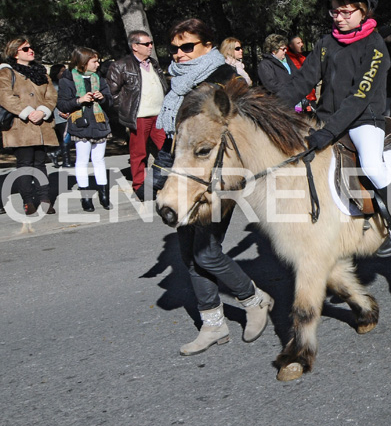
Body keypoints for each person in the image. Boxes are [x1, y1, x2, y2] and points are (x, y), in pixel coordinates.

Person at [156, 18, 273, 356]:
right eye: (175, 48)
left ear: (208, 46)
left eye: (187, 47)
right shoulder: (180, 82)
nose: (178, 54)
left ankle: (254, 299)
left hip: (216, 177)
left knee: (205, 251)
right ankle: (214, 324)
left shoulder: (225, 78)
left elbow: (247, 127)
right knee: (187, 254)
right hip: (181, 174)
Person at [288, 0, 391, 256]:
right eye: (334, 12)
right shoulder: (324, 44)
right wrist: (271, 105)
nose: (338, 17)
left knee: (371, 165)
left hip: (363, 119)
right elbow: (301, 81)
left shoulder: (376, 47)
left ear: (364, 10)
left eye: (345, 12)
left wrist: (328, 132)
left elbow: (359, 97)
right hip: (324, 117)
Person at [0, 37, 59, 215]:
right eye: (25, 49)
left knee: (40, 163)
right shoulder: (7, 72)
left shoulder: (41, 72)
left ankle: (44, 199)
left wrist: (42, 111)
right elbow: (5, 96)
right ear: (15, 53)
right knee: (25, 164)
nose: (31, 51)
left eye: (31, 48)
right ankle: (28, 201)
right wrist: (26, 112)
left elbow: (52, 95)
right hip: (20, 125)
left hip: (42, 125)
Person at [107, 30, 169, 200]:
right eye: (146, 44)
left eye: (151, 43)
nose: (150, 47)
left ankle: (170, 182)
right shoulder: (120, 66)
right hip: (140, 117)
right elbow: (112, 93)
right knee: (139, 153)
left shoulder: (153, 63)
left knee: (169, 149)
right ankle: (140, 187)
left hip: (160, 116)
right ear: (135, 46)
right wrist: (127, 110)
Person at [57, 47, 113, 212]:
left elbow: (110, 102)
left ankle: (104, 195)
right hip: (80, 123)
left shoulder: (99, 78)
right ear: (83, 62)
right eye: (94, 61)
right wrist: (79, 100)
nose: (97, 64)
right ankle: (86, 197)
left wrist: (103, 99)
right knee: (82, 160)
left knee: (99, 159)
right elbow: (62, 104)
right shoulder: (67, 80)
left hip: (99, 122)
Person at [257, 33, 300, 109]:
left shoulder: (287, 60)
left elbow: (297, 76)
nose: (286, 51)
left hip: (295, 102)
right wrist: (290, 89)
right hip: (278, 106)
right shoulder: (265, 65)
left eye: (286, 48)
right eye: (283, 49)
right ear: (274, 50)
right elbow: (270, 85)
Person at [47, 63, 73, 169]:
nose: (64, 73)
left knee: (69, 137)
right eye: (62, 71)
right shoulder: (53, 85)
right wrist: (61, 112)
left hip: (67, 113)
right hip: (60, 115)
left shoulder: (63, 83)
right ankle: (66, 161)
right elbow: (54, 101)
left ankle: (56, 153)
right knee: (66, 137)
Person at [285, 34, 317, 112]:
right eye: (298, 43)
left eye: (301, 42)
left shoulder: (303, 58)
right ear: (291, 45)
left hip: (310, 97)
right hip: (298, 99)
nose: (302, 45)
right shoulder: (286, 59)